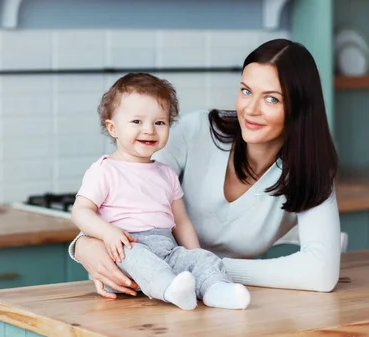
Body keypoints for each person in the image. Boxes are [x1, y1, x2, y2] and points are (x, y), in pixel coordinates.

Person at [69, 38, 342, 299]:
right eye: (246, 91)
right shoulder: (196, 131)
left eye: (271, 99)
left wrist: (206, 269)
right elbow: (132, 195)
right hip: (147, 296)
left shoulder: (311, 170)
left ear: (300, 107)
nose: (251, 109)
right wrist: (84, 245)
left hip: (217, 295)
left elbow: (321, 274)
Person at [71, 72, 251, 310]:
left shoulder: (166, 174)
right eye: (137, 122)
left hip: (166, 250)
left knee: (204, 258)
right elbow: (80, 212)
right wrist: (108, 234)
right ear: (113, 128)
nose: (149, 130)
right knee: (138, 256)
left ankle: (216, 290)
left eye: (159, 122)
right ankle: (171, 290)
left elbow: (182, 222)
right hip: (124, 252)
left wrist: (195, 258)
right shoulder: (104, 170)